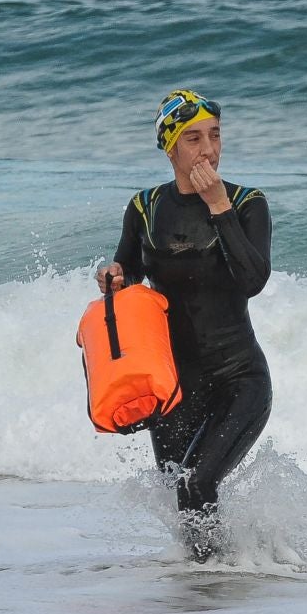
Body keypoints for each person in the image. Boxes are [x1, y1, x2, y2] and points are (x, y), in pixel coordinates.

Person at [97, 89, 273, 561]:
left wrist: (219, 207)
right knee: (183, 496)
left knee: (199, 482)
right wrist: (115, 277)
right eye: (193, 139)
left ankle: (226, 578)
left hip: (240, 378)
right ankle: (210, 597)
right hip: (175, 385)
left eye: (215, 136)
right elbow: (127, 273)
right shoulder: (145, 208)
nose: (208, 150)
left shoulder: (247, 202)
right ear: (170, 147)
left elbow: (252, 280)